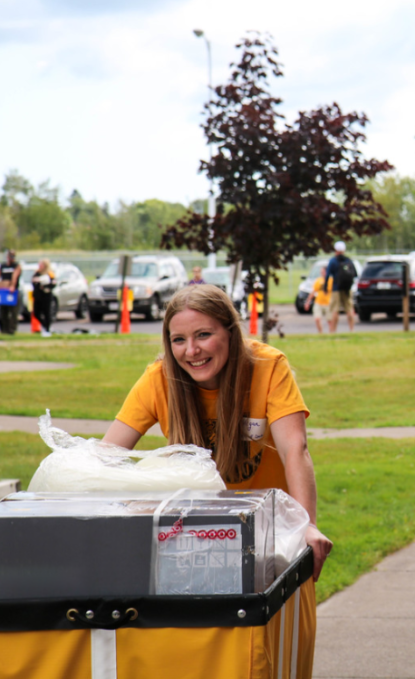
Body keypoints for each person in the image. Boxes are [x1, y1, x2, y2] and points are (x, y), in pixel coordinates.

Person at [102, 285, 332, 672]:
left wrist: (306, 526)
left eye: (203, 335)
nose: (191, 350)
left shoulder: (267, 366)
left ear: (230, 331)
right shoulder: (160, 379)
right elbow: (107, 456)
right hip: (192, 544)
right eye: (179, 339)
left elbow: (296, 449)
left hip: (271, 542)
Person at [326, 241, 357, 333]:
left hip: (336, 288)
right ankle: (351, 330)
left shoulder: (333, 261)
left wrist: (325, 287)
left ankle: (333, 331)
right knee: (349, 309)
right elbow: (354, 274)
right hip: (347, 289)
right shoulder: (348, 260)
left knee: (335, 310)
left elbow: (328, 275)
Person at [31, 259, 57, 337]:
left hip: (46, 296)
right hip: (38, 296)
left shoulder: (50, 273)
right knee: (36, 313)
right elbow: (33, 282)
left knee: (47, 312)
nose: (40, 266)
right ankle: (45, 325)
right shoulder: (37, 273)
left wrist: (45, 286)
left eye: (41, 264)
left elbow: (53, 283)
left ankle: (47, 329)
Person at [304, 265, 333, 334]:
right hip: (318, 303)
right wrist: (307, 302)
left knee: (330, 321)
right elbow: (313, 292)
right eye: (321, 272)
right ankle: (321, 333)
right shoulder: (318, 280)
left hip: (328, 303)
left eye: (323, 272)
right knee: (317, 319)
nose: (321, 273)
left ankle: (331, 334)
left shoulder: (331, 281)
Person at [0, 250, 21, 335]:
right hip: (3, 292)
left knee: (13, 312)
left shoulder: (16, 266)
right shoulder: (3, 266)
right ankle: (4, 329)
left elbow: (15, 277)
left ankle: (12, 329)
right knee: (3, 311)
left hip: (12, 292)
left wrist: (12, 285)